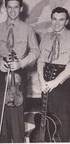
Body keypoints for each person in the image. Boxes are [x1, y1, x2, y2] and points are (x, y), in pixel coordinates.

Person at [0, 0, 40, 142]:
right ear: (5, 8)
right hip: (1, 71)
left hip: (19, 72)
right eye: (9, 7)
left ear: (21, 9)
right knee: (2, 111)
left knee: (17, 111)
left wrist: (21, 63)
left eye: (16, 7)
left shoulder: (28, 29)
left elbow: (36, 51)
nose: (12, 11)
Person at [37, 7, 70, 142]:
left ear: (67, 21)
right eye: (54, 19)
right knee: (47, 116)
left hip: (63, 81)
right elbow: (40, 61)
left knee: (62, 118)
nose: (57, 23)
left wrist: (55, 82)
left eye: (61, 20)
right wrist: (41, 80)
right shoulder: (46, 37)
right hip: (46, 80)